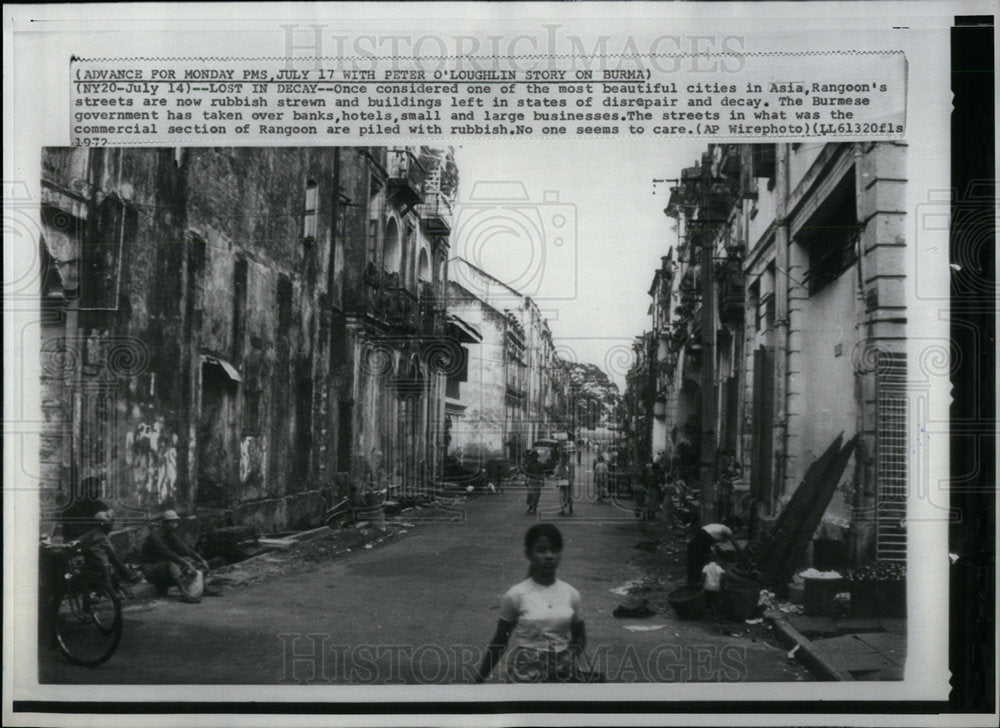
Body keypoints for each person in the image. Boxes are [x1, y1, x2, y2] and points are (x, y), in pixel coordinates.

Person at [474, 523, 586, 683]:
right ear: (529, 554)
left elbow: (580, 638)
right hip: (525, 675)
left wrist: (568, 655)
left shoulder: (571, 594)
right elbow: (499, 642)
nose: (549, 556)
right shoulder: (516, 595)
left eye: (554, 550)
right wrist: (478, 681)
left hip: (561, 674)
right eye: (541, 550)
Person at [140, 509, 212, 603]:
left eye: (175, 522)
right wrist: (184, 562)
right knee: (172, 564)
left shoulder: (170, 534)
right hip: (151, 569)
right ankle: (184, 594)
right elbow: (166, 552)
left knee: (193, 562)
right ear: (165, 523)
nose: (175, 524)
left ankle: (205, 589)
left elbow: (184, 548)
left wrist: (200, 559)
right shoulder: (154, 537)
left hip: (164, 568)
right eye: (172, 522)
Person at [78, 510, 140, 598]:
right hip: (95, 561)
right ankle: (127, 576)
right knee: (113, 557)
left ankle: (125, 579)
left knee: (114, 557)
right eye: (110, 523)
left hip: (94, 559)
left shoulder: (98, 532)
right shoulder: (98, 534)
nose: (111, 525)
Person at [686, 515, 747, 585]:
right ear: (733, 525)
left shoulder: (717, 527)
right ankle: (697, 585)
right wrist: (744, 557)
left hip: (695, 543)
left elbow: (710, 541)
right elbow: (736, 546)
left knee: (695, 564)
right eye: (738, 528)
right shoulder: (727, 529)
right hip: (699, 544)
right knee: (700, 564)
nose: (737, 531)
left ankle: (694, 584)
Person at [524, 450, 545, 515]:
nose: (534, 457)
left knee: (537, 495)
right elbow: (527, 473)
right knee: (530, 494)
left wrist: (542, 481)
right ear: (532, 457)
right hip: (531, 480)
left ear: (537, 457)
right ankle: (530, 506)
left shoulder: (540, 464)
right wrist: (526, 481)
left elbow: (542, 473)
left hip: (538, 481)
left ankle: (535, 507)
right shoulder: (529, 464)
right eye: (533, 456)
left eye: (535, 456)